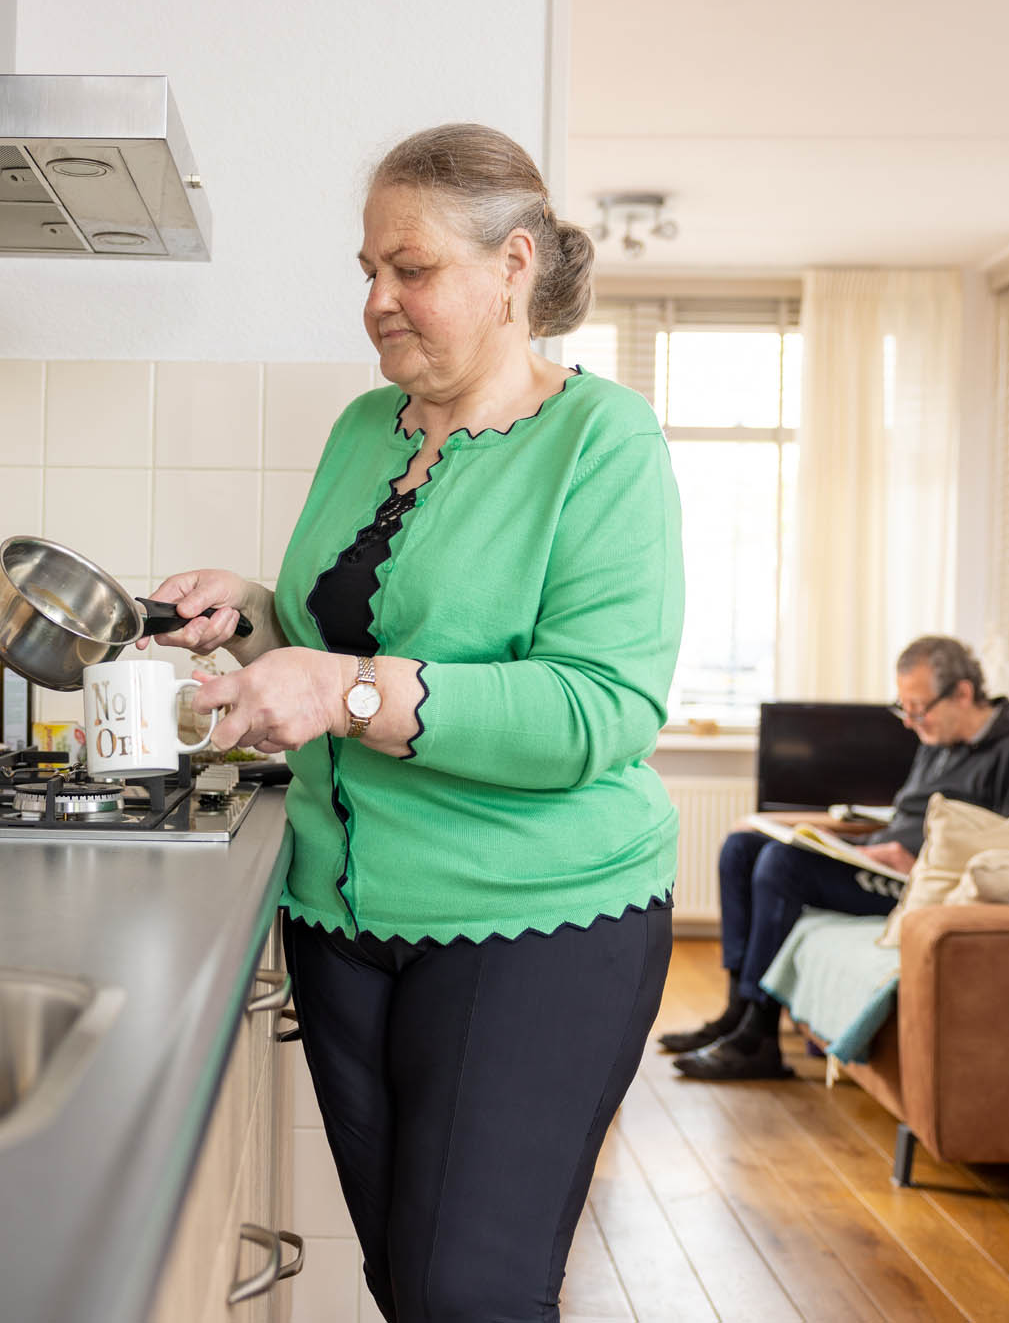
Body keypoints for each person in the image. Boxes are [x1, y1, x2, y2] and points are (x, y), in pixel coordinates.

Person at [138, 123, 684, 1322]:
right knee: (407, 1281)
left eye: (411, 268)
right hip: (343, 917)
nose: (377, 300)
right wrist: (251, 613)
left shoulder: (602, 443)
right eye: (367, 272)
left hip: (534, 916)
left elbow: (600, 706)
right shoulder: (360, 433)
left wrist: (339, 690)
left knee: (467, 1293)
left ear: (511, 269)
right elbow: (343, 630)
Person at [663, 635, 1009, 1081]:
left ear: (963, 693)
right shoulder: (937, 741)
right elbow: (907, 816)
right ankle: (736, 1011)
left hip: (922, 883)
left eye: (918, 708)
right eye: (903, 708)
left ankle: (759, 1037)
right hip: (881, 862)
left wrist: (926, 864)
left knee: (781, 865)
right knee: (742, 849)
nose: (910, 722)